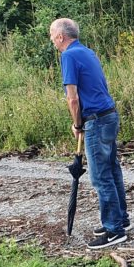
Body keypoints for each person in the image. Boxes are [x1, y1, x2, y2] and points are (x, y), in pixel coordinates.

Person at [50, 18, 129, 250]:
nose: (52, 40)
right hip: (109, 115)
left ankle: (115, 229)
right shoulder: (87, 52)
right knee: (112, 170)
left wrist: (77, 124)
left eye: (52, 35)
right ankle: (120, 219)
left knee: (100, 176)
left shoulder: (68, 56)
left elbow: (72, 97)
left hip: (96, 119)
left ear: (61, 37)